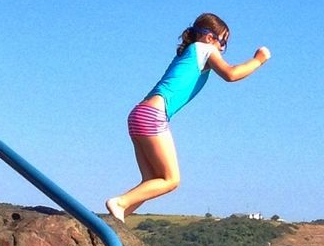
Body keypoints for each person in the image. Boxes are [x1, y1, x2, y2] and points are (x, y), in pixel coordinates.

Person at [104, 13, 270, 223]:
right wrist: (258, 60)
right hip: (153, 116)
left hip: (139, 114)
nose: (222, 49)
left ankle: (115, 221)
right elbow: (231, 74)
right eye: (223, 43)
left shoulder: (189, 53)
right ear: (210, 38)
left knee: (151, 181)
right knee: (171, 180)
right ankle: (119, 203)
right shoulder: (204, 49)